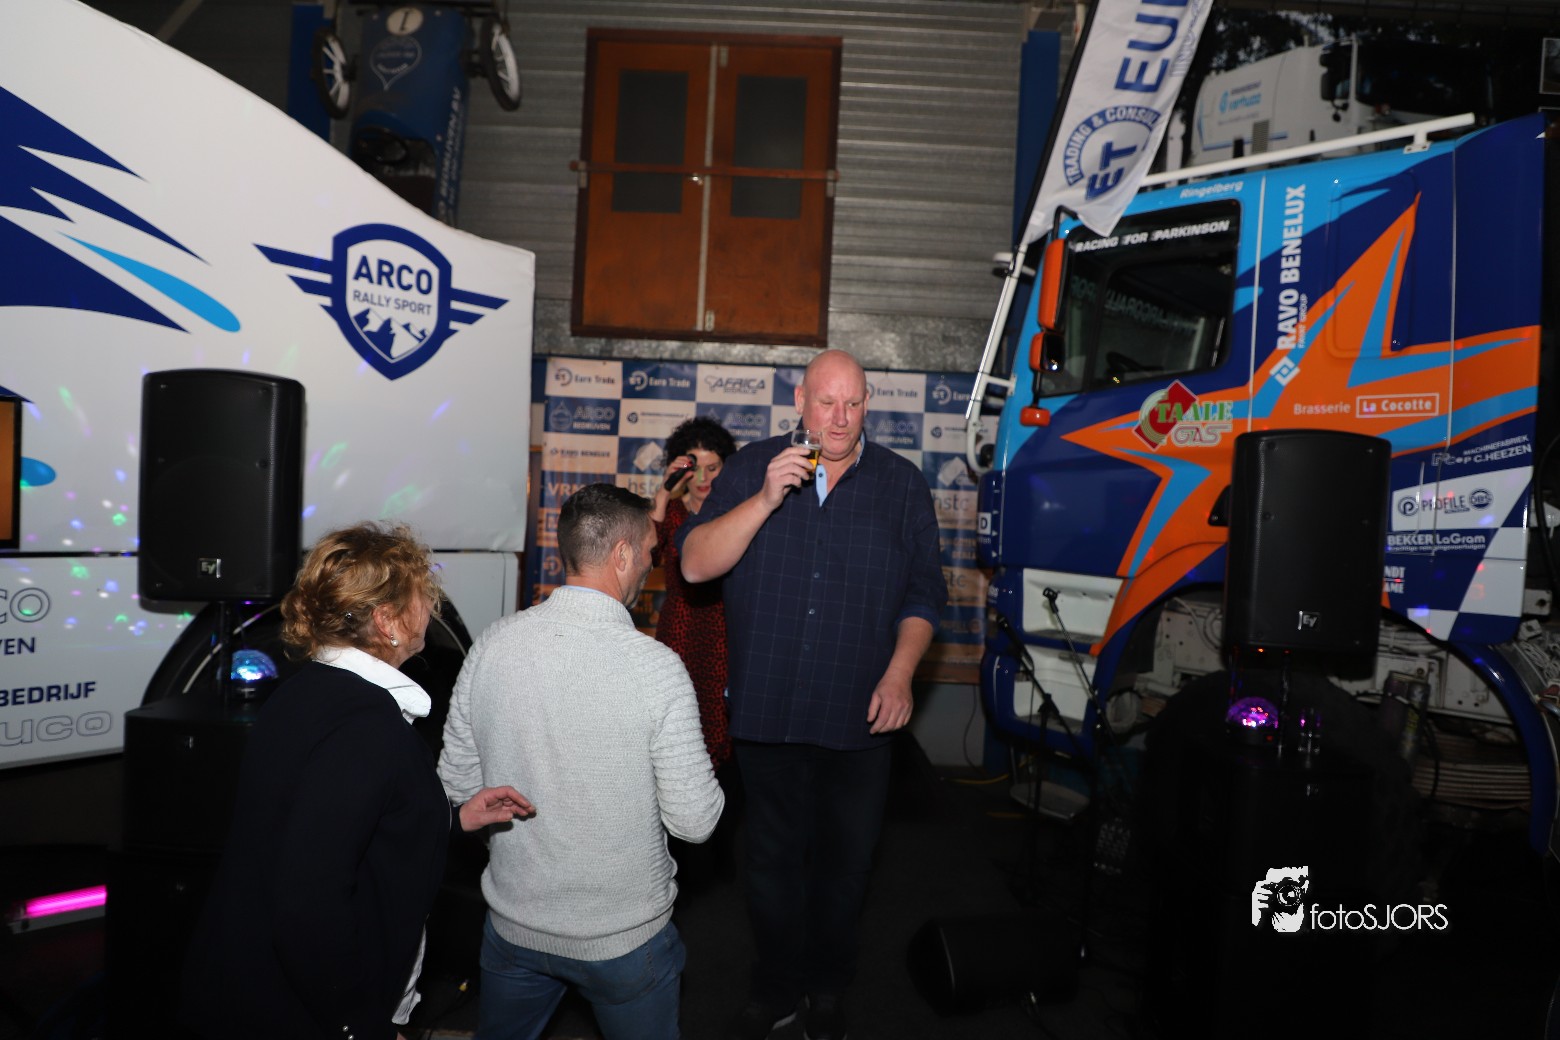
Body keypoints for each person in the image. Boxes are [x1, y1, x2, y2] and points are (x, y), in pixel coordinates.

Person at [679, 349, 947, 1040]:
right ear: (800, 401)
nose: (840, 418)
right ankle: (773, 988)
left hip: (860, 718)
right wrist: (766, 499)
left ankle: (826, 988)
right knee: (769, 867)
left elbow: (924, 595)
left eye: (853, 403)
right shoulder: (751, 469)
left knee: (846, 869)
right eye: (827, 403)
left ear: (868, 404)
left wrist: (901, 672)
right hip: (768, 711)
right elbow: (694, 565)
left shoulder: (901, 484)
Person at [180, 521, 534, 1040]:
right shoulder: (365, 726)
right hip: (298, 1012)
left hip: (247, 984)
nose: (431, 608)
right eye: (423, 596)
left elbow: (338, 828)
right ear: (387, 620)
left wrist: (454, 819)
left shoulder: (306, 691)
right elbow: (308, 902)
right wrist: (356, 1025)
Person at [437, 483, 725, 1040]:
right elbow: (696, 821)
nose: (651, 564)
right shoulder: (656, 668)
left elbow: (457, 784)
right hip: (623, 941)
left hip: (513, 924)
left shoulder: (493, 644)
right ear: (621, 554)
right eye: (649, 551)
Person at [650, 415, 739, 770]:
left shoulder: (737, 516)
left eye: (713, 468)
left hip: (726, 631)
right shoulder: (671, 511)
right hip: (679, 632)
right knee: (674, 727)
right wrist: (664, 489)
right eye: (694, 469)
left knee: (722, 732)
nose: (703, 479)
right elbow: (647, 552)